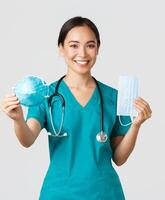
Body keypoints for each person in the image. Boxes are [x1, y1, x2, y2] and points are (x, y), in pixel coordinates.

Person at [1, 16, 152, 199]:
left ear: (98, 49)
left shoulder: (114, 97)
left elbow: (119, 158)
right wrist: (17, 119)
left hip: (104, 193)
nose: (82, 53)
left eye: (90, 45)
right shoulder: (46, 95)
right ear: (61, 49)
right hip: (59, 193)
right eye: (74, 45)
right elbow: (27, 139)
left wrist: (136, 125)